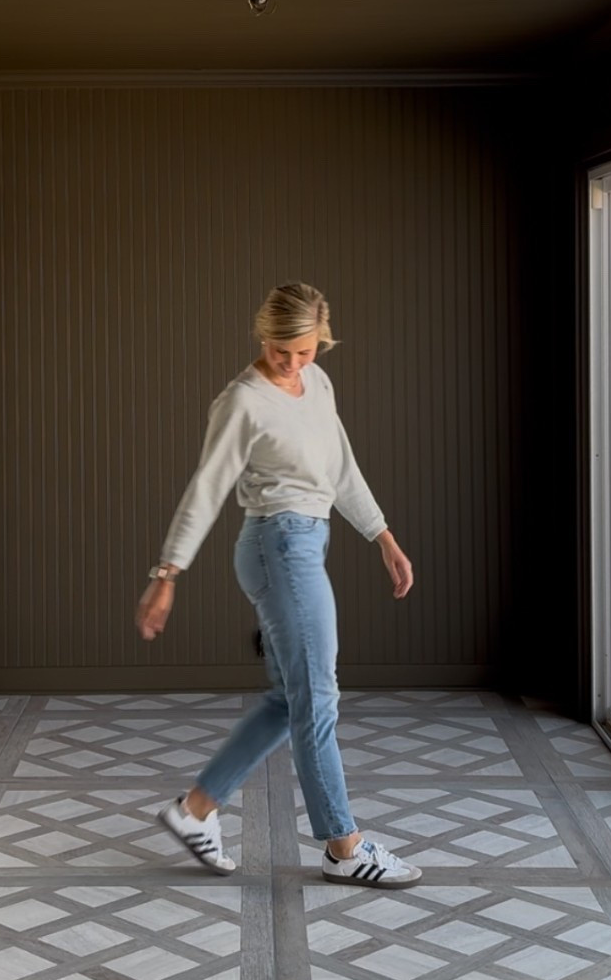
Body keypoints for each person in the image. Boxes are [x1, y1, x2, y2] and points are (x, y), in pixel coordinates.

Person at [135, 282, 421, 887]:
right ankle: (345, 847)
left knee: (292, 698)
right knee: (318, 696)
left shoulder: (317, 383)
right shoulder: (241, 402)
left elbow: (340, 467)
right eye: (279, 349)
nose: (290, 362)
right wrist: (167, 575)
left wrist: (383, 537)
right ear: (261, 334)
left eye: (304, 350)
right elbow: (206, 489)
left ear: (320, 341)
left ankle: (194, 812)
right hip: (277, 546)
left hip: (307, 541)